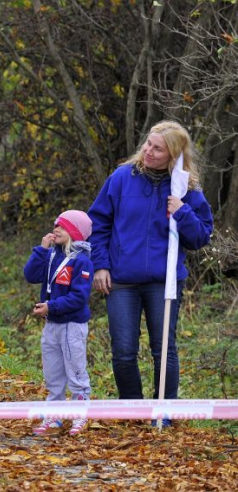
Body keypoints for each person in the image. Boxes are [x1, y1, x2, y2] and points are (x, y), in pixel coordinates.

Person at [88, 121, 213, 427]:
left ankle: (162, 415)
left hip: (163, 281)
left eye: (158, 148)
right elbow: (98, 223)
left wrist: (182, 211)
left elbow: (200, 237)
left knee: (164, 348)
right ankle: (133, 412)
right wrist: (100, 265)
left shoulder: (186, 189)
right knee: (123, 350)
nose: (148, 151)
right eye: (148, 144)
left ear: (173, 154)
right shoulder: (121, 178)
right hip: (121, 279)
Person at [23, 210, 93, 436]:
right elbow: (31, 275)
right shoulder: (51, 255)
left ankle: (80, 414)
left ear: (74, 232)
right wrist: (41, 250)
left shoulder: (82, 261)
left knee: (75, 371)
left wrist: (51, 306)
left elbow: (79, 297)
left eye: (62, 227)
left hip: (71, 326)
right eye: (55, 225)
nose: (56, 229)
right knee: (53, 373)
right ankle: (54, 414)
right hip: (51, 325)